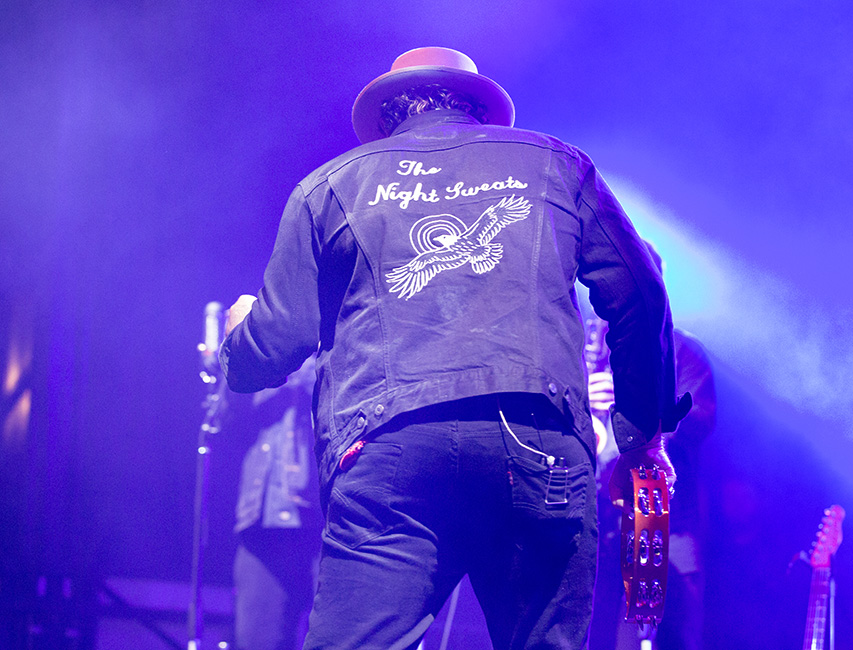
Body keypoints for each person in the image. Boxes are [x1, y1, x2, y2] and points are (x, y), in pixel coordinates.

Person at [219, 46, 690, 650]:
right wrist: (641, 438)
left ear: (388, 115)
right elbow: (643, 294)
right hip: (537, 436)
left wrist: (238, 337)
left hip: (389, 445)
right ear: (479, 110)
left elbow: (274, 344)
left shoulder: (330, 186)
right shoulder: (554, 165)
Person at [587, 325, 716, 650]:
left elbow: (700, 419)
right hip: (596, 518)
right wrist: (581, 400)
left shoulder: (683, 349)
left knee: (674, 632)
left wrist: (636, 405)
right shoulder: (586, 345)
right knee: (594, 630)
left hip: (666, 518)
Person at [229, 356, 322, 650]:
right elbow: (221, 415)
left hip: (330, 522)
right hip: (262, 520)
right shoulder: (262, 338)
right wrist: (235, 354)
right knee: (258, 639)